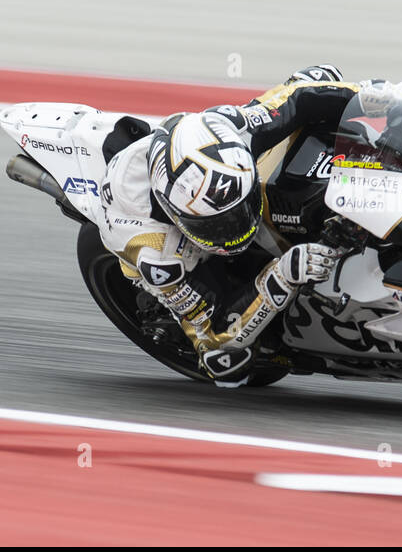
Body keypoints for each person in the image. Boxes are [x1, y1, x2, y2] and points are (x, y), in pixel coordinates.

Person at [97, 65, 362, 385]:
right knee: (227, 365)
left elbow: (298, 99)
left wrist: (377, 99)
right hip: (149, 238)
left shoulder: (230, 128)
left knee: (320, 79)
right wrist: (283, 274)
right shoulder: (158, 254)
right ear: (177, 215)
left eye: (241, 209)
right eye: (219, 225)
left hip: (182, 149)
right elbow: (212, 339)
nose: (238, 228)